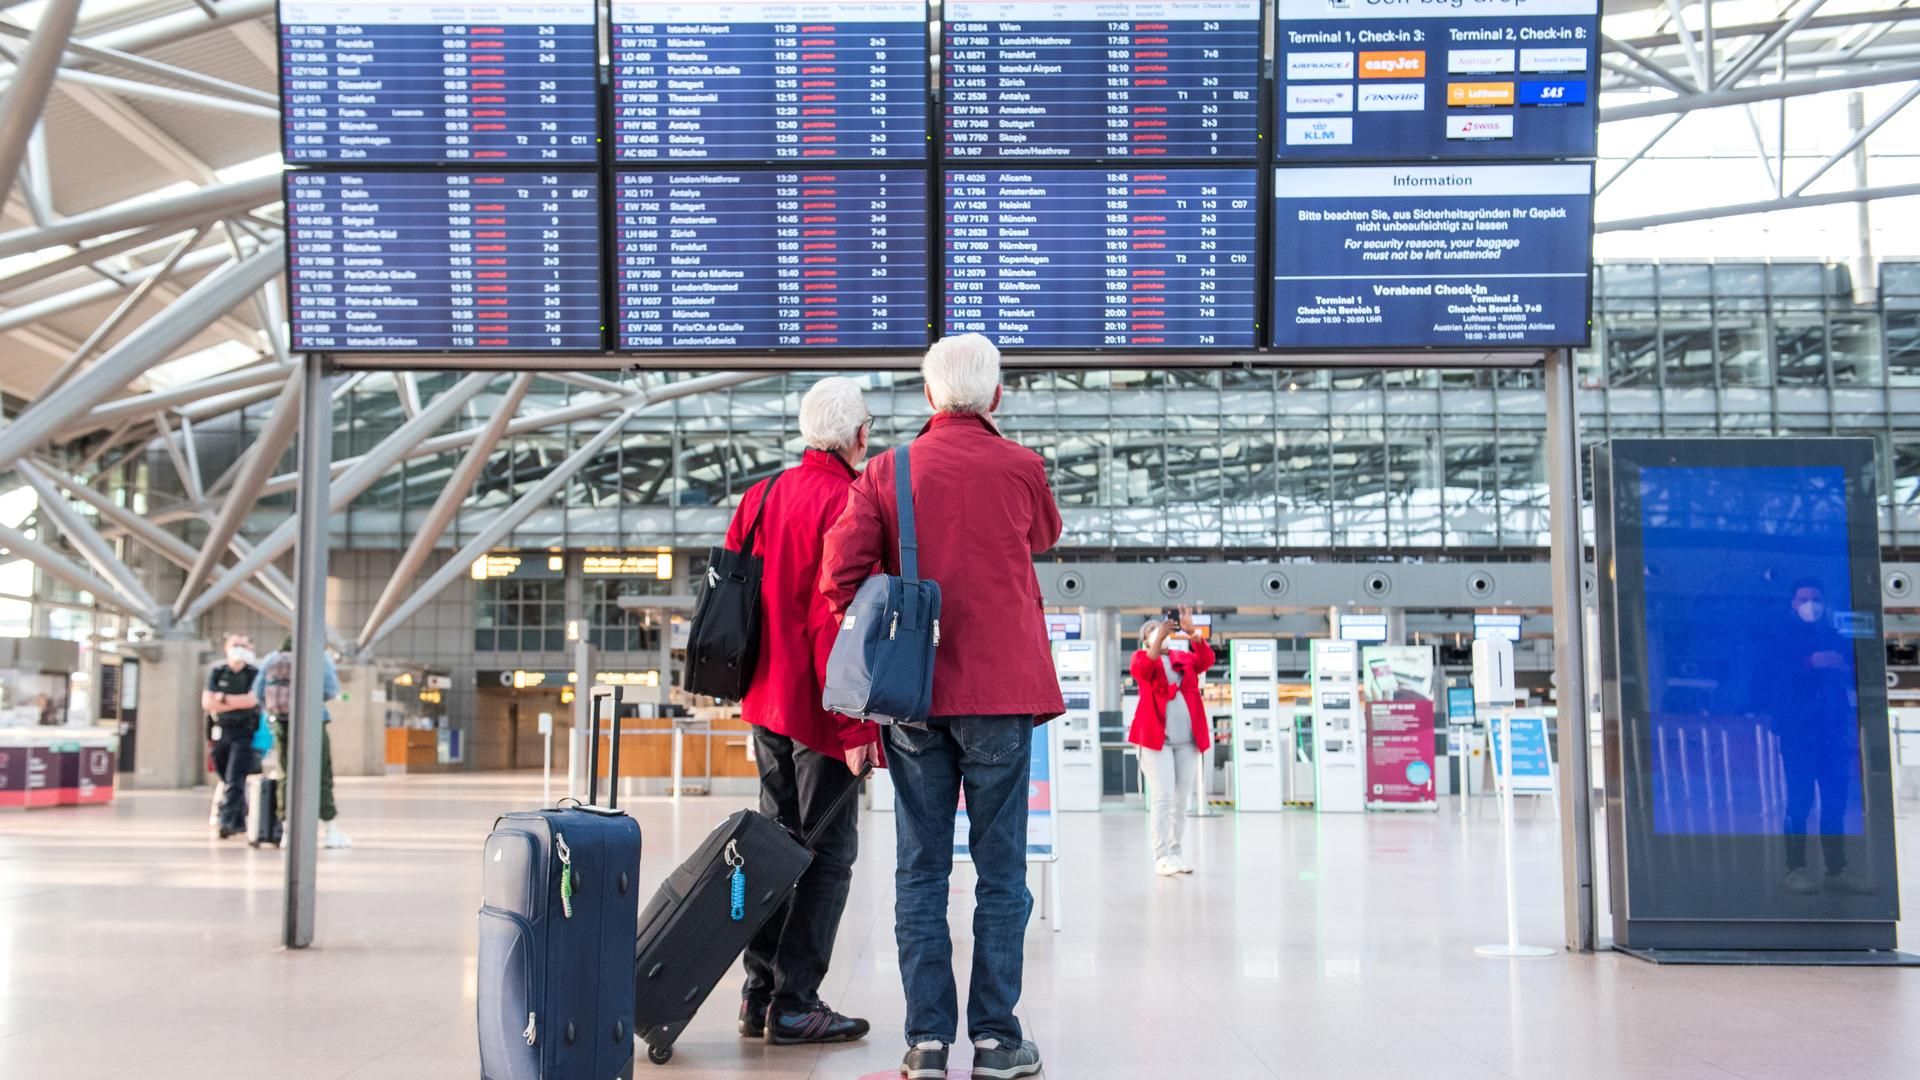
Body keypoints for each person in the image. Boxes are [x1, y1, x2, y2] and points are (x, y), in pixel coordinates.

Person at [821, 333, 1063, 1080]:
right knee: (1001, 871)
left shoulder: (886, 471)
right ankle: (996, 1040)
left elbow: (837, 576)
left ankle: (927, 1041)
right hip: (1002, 696)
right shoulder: (1022, 467)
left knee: (920, 871)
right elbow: (1045, 535)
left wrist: (885, 613)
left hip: (916, 699)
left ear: (929, 395)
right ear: (996, 396)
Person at [725, 377, 880, 1046]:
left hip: (765, 701)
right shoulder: (850, 499)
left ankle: (757, 993)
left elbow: (736, 598)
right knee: (827, 854)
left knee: (773, 844)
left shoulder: (760, 496)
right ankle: (795, 1004)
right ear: (859, 437)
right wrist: (855, 727)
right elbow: (835, 622)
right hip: (821, 713)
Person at [1766, 578, 1868, 895]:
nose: (1811, 604)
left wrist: (1843, 668)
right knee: (1800, 803)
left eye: (1816, 598)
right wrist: (1808, 663)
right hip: (1799, 734)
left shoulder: (1834, 636)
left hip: (1833, 732)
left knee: (1835, 802)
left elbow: (1855, 672)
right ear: (1793, 603)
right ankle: (1795, 869)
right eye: (1804, 598)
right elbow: (1770, 680)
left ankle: (1836, 869)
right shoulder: (1779, 639)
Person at [1128, 606, 1216, 877]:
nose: (1161, 634)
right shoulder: (1141, 658)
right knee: (1163, 797)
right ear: (1145, 640)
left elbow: (1206, 659)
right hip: (1157, 740)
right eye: (1153, 632)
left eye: (1163, 631)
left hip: (1187, 740)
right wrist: (1158, 640)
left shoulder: (1184, 658)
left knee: (1181, 799)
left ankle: (1176, 852)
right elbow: (1144, 669)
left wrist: (1193, 633)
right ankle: (1161, 855)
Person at [253, 636, 351, 849]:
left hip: (282, 723)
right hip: (313, 721)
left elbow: (258, 692)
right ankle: (330, 830)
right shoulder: (320, 657)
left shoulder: (272, 658)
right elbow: (331, 690)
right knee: (321, 773)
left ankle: (287, 831)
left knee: (285, 774)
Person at [202, 633, 260, 839]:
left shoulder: (253, 673)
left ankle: (225, 819)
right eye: (235, 645)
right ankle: (238, 820)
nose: (239, 649)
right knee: (225, 775)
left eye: (243, 646)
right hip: (220, 731)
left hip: (243, 732)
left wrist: (223, 698)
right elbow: (207, 703)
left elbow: (251, 701)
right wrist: (235, 702)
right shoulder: (218, 672)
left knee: (235, 776)